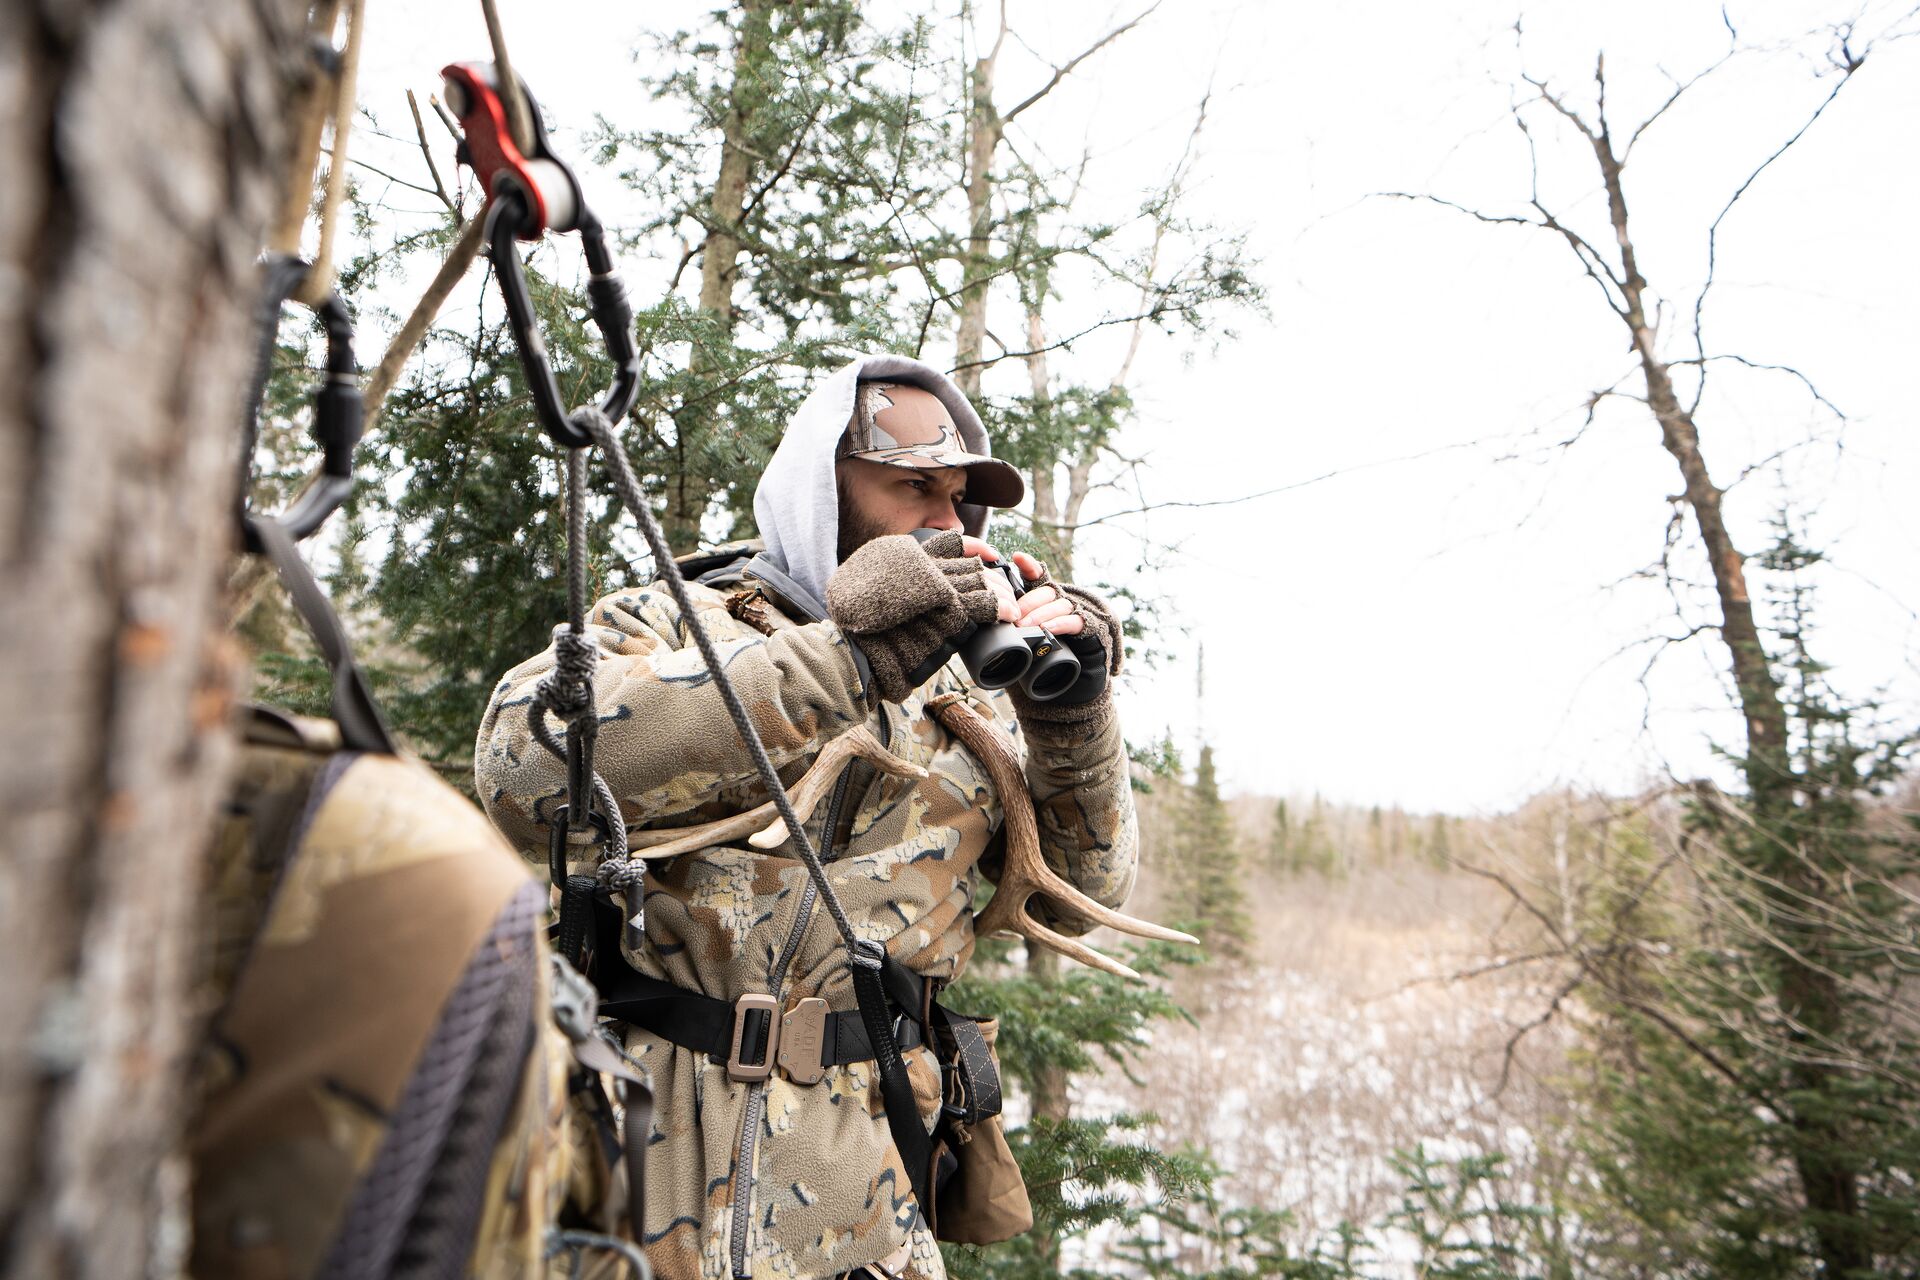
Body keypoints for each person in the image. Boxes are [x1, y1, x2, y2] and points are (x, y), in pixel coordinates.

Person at [474, 353, 1138, 1280]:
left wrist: (1074, 721)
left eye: (959, 499)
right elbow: (522, 770)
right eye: (914, 489)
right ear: (822, 491)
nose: (948, 523)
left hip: (865, 1190)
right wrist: (848, 662)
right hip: (634, 1157)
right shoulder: (673, 622)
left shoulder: (974, 697)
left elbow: (1083, 898)